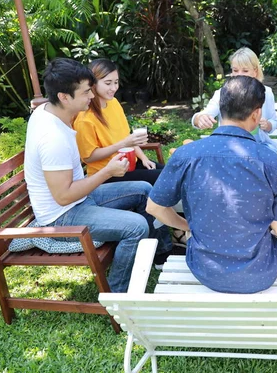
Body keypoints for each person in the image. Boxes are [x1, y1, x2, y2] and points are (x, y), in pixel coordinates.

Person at [24, 58, 171, 293]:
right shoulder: (53, 138)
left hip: (78, 198)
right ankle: (117, 296)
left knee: (145, 190)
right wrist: (107, 172)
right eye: (85, 92)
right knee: (136, 227)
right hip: (61, 215)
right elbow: (63, 197)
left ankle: (162, 254)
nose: (91, 96)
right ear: (63, 97)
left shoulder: (47, 110)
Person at [147, 76, 277, 294]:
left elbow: (154, 207)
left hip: (204, 270)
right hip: (259, 273)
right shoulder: (271, 160)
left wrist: (187, 226)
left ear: (221, 108)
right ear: (256, 114)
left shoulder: (186, 154)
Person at [73, 59, 164, 185]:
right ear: (93, 84)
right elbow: (89, 157)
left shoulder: (113, 103)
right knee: (167, 179)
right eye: (108, 83)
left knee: (172, 172)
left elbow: (127, 137)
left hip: (130, 163)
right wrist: (122, 144)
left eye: (116, 82)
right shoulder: (85, 118)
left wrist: (143, 158)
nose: (114, 88)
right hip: (107, 174)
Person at [191, 48, 277, 152]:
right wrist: (200, 119)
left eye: (245, 71)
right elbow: (201, 116)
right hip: (229, 146)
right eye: (235, 70)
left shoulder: (266, 93)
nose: (239, 75)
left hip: (259, 145)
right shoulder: (223, 92)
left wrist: (268, 125)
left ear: (255, 71)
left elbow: (273, 121)